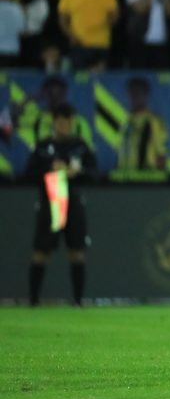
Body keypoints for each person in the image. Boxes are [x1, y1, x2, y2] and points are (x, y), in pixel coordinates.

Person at [26, 102, 96, 306]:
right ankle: (33, 301)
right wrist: (50, 170)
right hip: (50, 203)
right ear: (54, 122)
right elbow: (29, 174)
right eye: (62, 122)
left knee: (77, 251)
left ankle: (78, 301)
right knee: (41, 251)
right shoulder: (42, 147)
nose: (65, 126)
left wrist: (79, 173)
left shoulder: (80, 146)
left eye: (69, 122)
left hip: (73, 203)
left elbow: (94, 174)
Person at [114, 77, 169, 181]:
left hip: (146, 179)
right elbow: (120, 151)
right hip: (125, 179)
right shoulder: (125, 122)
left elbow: (161, 154)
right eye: (131, 93)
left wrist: (160, 182)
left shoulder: (154, 121)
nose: (133, 97)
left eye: (137, 93)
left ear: (146, 95)